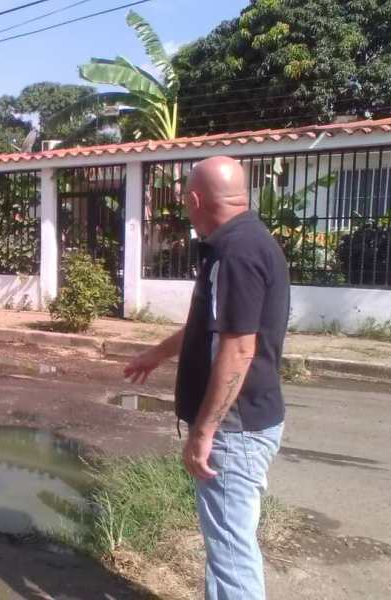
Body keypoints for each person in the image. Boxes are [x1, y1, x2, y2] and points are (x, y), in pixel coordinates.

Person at [125, 156, 289, 599]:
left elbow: (238, 349)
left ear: (195, 200)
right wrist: (157, 354)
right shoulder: (243, 241)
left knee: (231, 555)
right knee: (232, 542)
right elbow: (210, 324)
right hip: (249, 422)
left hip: (235, 432)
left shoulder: (237, 252)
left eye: (184, 200)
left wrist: (205, 431)